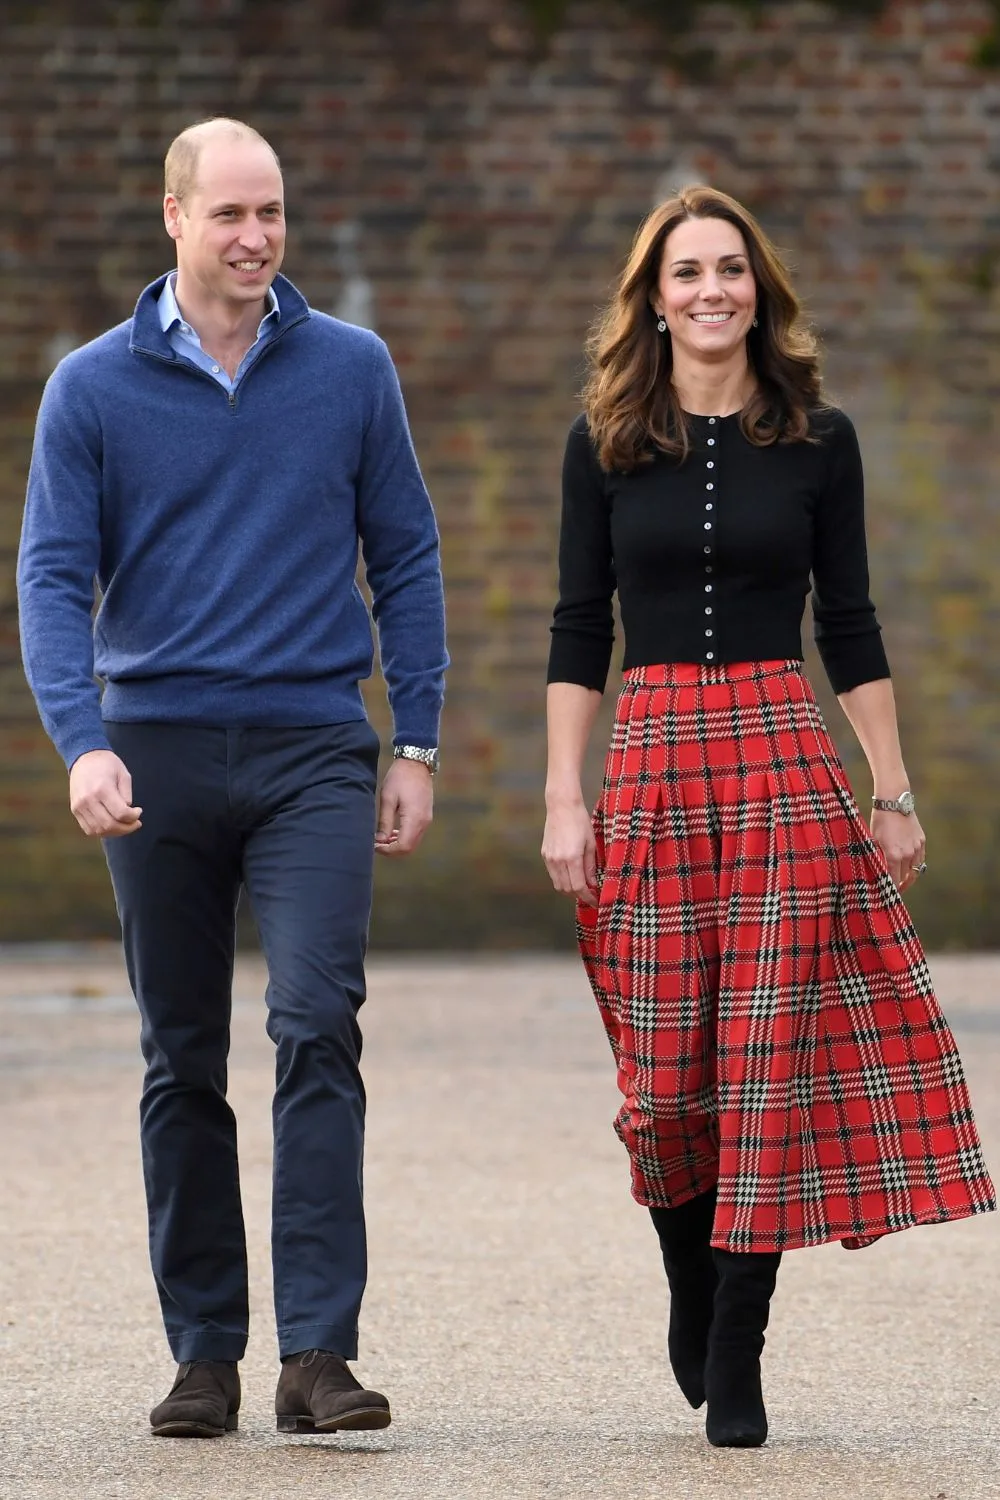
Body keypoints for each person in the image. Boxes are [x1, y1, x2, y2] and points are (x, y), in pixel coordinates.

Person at [541, 185, 994, 1449]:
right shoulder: (603, 442)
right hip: (651, 767)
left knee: (761, 1060)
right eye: (685, 272)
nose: (708, 292)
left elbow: (848, 625)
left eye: (729, 270)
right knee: (663, 1068)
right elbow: (581, 629)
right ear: (652, 295)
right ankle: (690, 1278)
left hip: (780, 765)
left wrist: (889, 791)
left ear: (759, 290)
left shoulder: (817, 438)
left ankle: (738, 1336)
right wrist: (562, 795)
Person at [17, 117, 447, 1439]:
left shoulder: (351, 369)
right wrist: (83, 738)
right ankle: (203, 1351)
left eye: (272, 213)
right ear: (174, 218)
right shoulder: (90, 388)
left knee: (317, 1025)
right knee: (180, 1053)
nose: (256, 238)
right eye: (230, 215)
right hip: (156, 752)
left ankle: (318, 1354)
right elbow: (48, 577)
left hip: (316, 746)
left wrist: (414, 739)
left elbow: (410, 556)